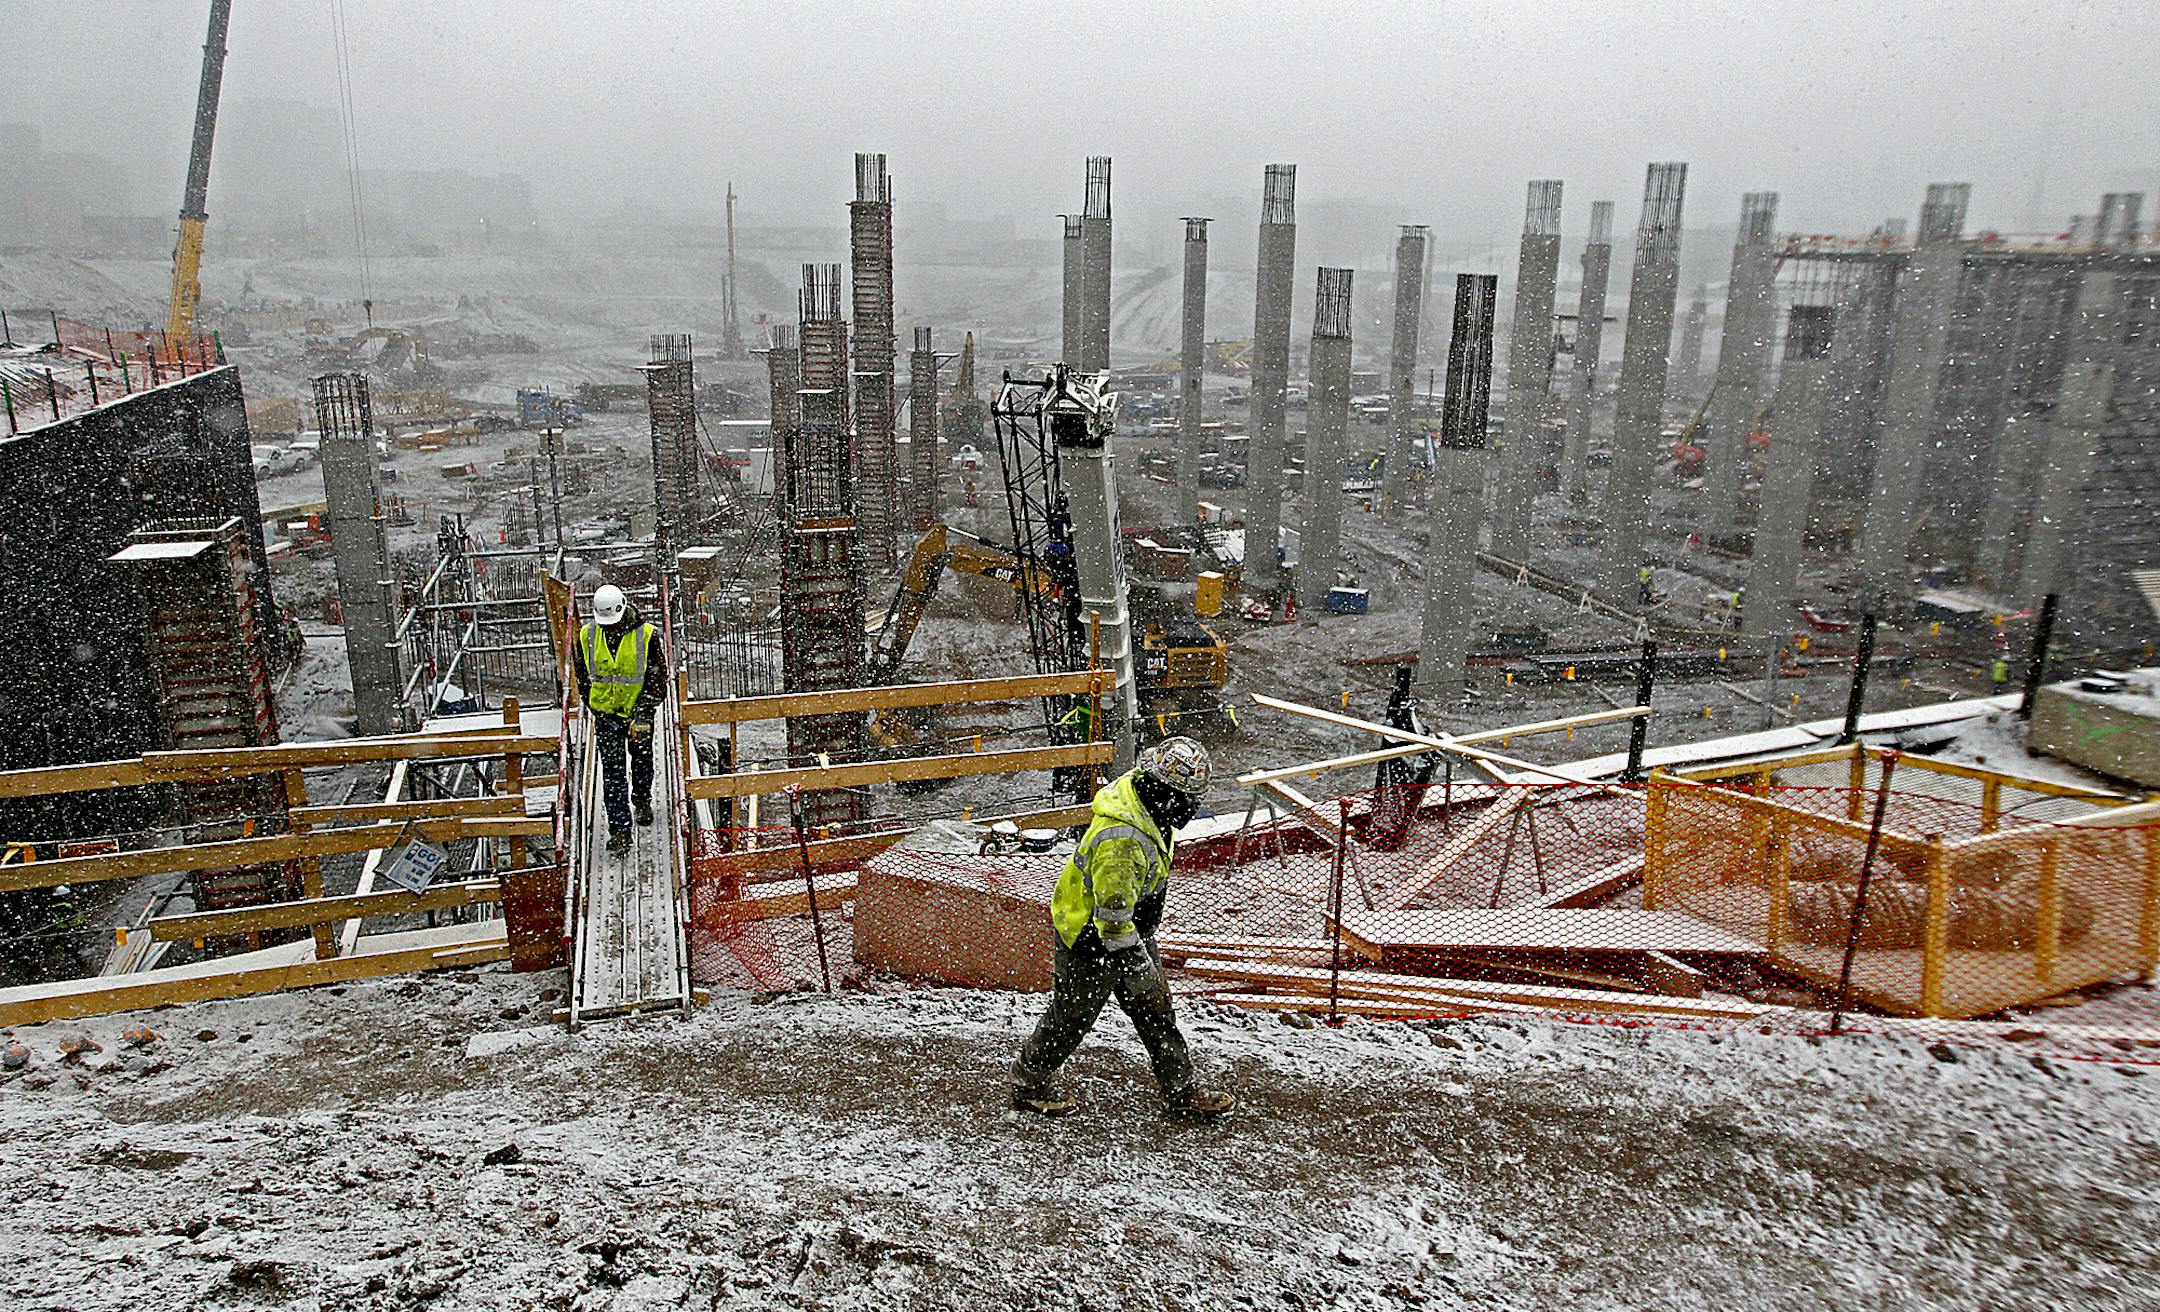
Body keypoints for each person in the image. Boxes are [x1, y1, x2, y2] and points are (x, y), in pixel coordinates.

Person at [1010, 736, 1236, 1121]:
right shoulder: (1124, 840)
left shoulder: (1148, 806)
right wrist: (1139, 967)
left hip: (1130, 930)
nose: (1192, 808)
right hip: (1091, 939)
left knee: (1157, 1012)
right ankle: (1029, 1083)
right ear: (1168, 793)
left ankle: (1181, 1090)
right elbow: (1112, 920)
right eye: (1188, 799)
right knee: (1071, 1017)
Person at [572, 584, 665, 855]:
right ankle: (621, 831)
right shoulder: (587, 635)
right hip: (607, 717)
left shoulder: (647, 636)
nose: (611, 628)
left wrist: (644, 714)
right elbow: (582, 677)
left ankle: (642, 799)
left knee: (642, 760)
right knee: (613, 776)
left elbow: (658, 681)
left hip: (638, 712)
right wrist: (595, 706)